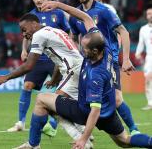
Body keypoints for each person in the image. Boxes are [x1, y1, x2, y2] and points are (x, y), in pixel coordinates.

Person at [9, 31, 152, 149]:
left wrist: (83, 140)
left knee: (41, 99)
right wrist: (60, 5)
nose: (81, 50)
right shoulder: (105, 50)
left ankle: (34, 145)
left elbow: (95, 111)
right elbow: (87, 19)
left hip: (86, 112)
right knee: (124, 141)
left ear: (95, 51)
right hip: (109, 113)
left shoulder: (95, 75)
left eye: (84, 48)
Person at [0, 4, 96, 148]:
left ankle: (81, 139)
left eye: (24, 29)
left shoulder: (39, 35)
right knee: (48, 105)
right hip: (79, 70)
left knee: (51, 105)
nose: (23, 34)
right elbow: (59, 57)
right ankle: (36, 143)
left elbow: (29, 65)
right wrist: (55, 78)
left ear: (34, 24)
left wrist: (6, 77)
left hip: (74, 71)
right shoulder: (54, 31)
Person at [68, 0, 139, 135]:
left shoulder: (104, 11)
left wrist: (125, 59)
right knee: (74, 95)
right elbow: (73, 37)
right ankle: (73, 130)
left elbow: (124, 32)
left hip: (108, 60)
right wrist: (76, 54)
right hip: (88, 63)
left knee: (117, 99)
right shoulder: (75, 15)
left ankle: (134, 130)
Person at [7, 0, 71, 135]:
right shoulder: (30, 15)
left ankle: (59, 124)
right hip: (38, 58)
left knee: (62, 91)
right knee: (27, 85)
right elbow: (25, 34)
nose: (38, 0)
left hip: (56, 58)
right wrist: (24, 50)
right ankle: (20, 122)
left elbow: (68, 33)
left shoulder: (58, 14)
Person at [135, 7, 152, 110]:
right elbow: (141, 43)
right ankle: (150, 103)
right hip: (149, 58)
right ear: (146, 16)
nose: (151, 15)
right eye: (149, 13)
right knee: (148, 80)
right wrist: (138, 53)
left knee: (149, 78)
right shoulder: (143, 29)